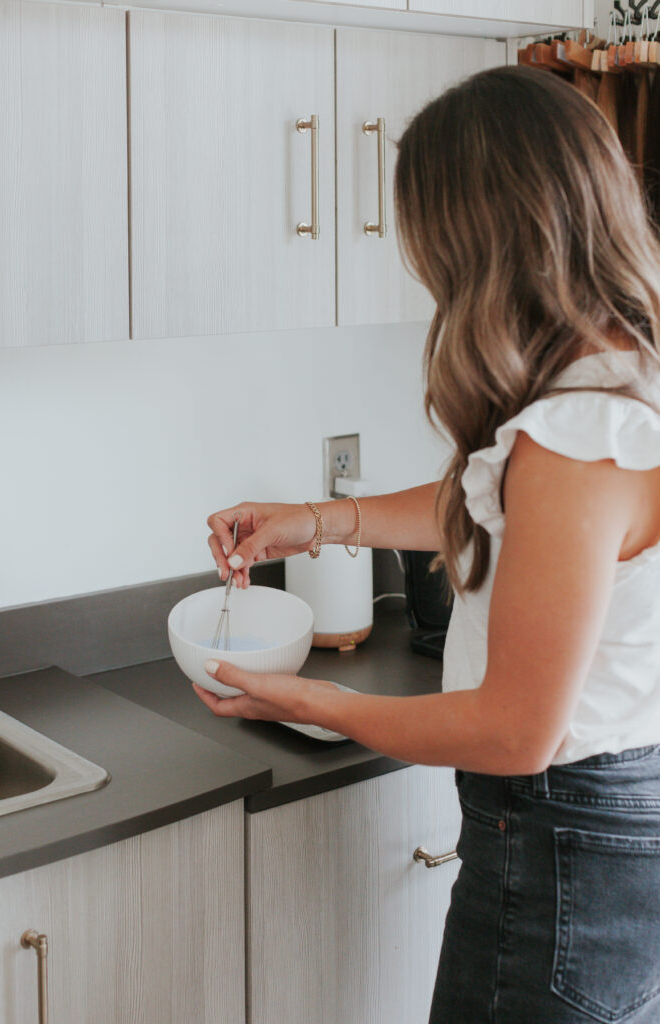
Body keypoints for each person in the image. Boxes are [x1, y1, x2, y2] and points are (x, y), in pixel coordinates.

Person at [198, 67, 660, 1023]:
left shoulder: (576, 434)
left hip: (557, 840)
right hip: (607, 832)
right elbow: (501, 515)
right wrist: (322, 519)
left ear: (482, 235)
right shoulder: (621, 371)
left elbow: (511, 730)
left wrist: (312, 701)